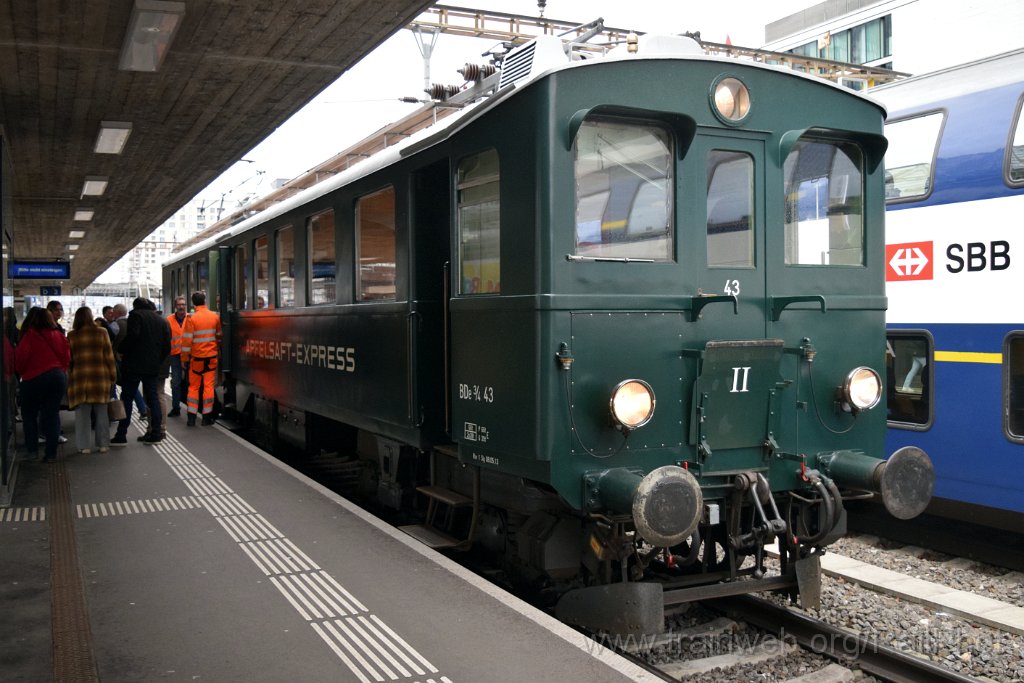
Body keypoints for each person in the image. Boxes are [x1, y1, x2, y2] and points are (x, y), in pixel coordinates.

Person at [112, 298, 170, 446]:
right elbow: (167, 347)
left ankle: (121, 434)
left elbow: (133, 336)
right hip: (152, 367)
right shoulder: (162, 320)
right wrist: (157, 360)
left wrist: (121, 349)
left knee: (127, 398)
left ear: (136, 307)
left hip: (134, 366)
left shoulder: (136, 316)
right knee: (153, 399)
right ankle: (156, 433)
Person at [15, 307, 70, 462]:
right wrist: (59, 371)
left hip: (33, 379)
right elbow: (66, 357)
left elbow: (20, 362)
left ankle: (32, 451)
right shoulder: (58, 335)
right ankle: (50, 454)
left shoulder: (29, 336)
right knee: (51, 414)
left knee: (29, 415)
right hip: (57, 377)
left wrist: (24, 374)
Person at [67, 307, 117, 453]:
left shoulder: (72, 335)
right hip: (100, 378)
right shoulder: (102, 332)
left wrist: (70, 376)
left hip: (80, 379)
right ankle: (103, 444)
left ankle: (84, 446)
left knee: (83, 415)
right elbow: (109, 356)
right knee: (102, 413)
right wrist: (112, 376)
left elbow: (69, 360)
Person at [181, 291, 221, 426]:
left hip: (196, 359)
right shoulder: (214, 316)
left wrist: (184, 359)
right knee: (208, 387)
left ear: (193, 303)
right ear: (205, 300)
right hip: (211, 358)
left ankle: (191, 417)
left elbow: (186, 342)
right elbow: (219, 335)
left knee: (193, 387)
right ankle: (207, 417)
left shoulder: (191, 318)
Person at [111, 302, 146, 417]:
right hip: (133, 360)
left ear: (118, 312)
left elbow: (111, 340)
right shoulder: (131, 323)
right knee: (132, 386)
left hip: (118, 360)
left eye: (114, 312)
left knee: (114, 386)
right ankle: (142, 409)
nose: (112, 314)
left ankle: (117, 412)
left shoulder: (116, 325)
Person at [166, 296, 190, 417]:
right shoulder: (168, 320)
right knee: (176, 382)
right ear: (175, 306)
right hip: (175, 355)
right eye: (179, 304)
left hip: (190, 355)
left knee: (191, 383)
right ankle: (176, 408)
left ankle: (192, 409)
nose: (181, 307)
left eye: (183, 304)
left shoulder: (191, 318)